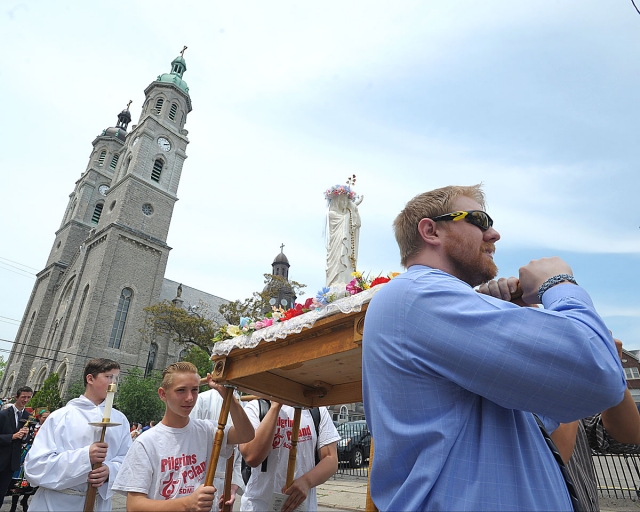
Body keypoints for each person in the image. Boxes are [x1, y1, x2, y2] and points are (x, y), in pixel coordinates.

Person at [362, 184, 627, 511]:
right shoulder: (416, 295)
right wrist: (556, 283)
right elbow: (598, 374)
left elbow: (549, 418)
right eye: (479, 220)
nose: (494, 234)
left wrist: (522, 321)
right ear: (431, 230)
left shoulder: (431, 309)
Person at [112, 362, 254, 512]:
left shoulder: (207, 430)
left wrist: (227, 397)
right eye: (181, 390)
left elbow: (246, 434)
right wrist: (187, 503)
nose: (190, 398)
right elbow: (134, 506)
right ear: (162, 394)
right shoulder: (146, 443)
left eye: (194, 390)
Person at [24, 358, 131, 511]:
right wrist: (85, 456)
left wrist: (109, 471)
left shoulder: (120, 419)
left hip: (98, 504)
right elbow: (35, 467)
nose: (114, 383)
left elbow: (128, 461)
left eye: (116, 378)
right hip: (56, 503)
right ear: (90, 378)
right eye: (108, 377)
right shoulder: (61, 416)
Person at [239, 401, 339, 512]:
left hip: (302, 507)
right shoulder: (256, 407)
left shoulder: (317, 410)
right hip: (259, 506)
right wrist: (275, 406)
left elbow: (331, 459)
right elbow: (252, 457)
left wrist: (306, 481)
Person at [190, 388, 245, 510]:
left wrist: (232, 487)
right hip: (199, 482)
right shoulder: (203, 399)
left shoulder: (242, 404)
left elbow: (240, 452)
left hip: (225, 484)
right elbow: (192, 445)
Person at [325, 183, 363, 287]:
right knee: (339, 263)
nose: (345, 203)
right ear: (336, 201)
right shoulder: (332, 214)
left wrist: (354, 209)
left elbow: (357, 224)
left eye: (347, 201)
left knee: (346, 260)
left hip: (346, 248)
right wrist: (353, 207)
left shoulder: (348, 214)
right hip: (336, 248)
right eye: (342, 200)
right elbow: (344, 220)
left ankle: (347, 282)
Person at [0, 387, 33, 507]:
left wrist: (25, 435)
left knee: (2, 492)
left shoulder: (28, 416)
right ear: (16, 397)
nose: (26, 400)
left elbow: (26, 439)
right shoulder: (3, 414)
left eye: (29, 397)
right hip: (1, 456)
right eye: (23, 397)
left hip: (12, 461)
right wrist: (11, 436)